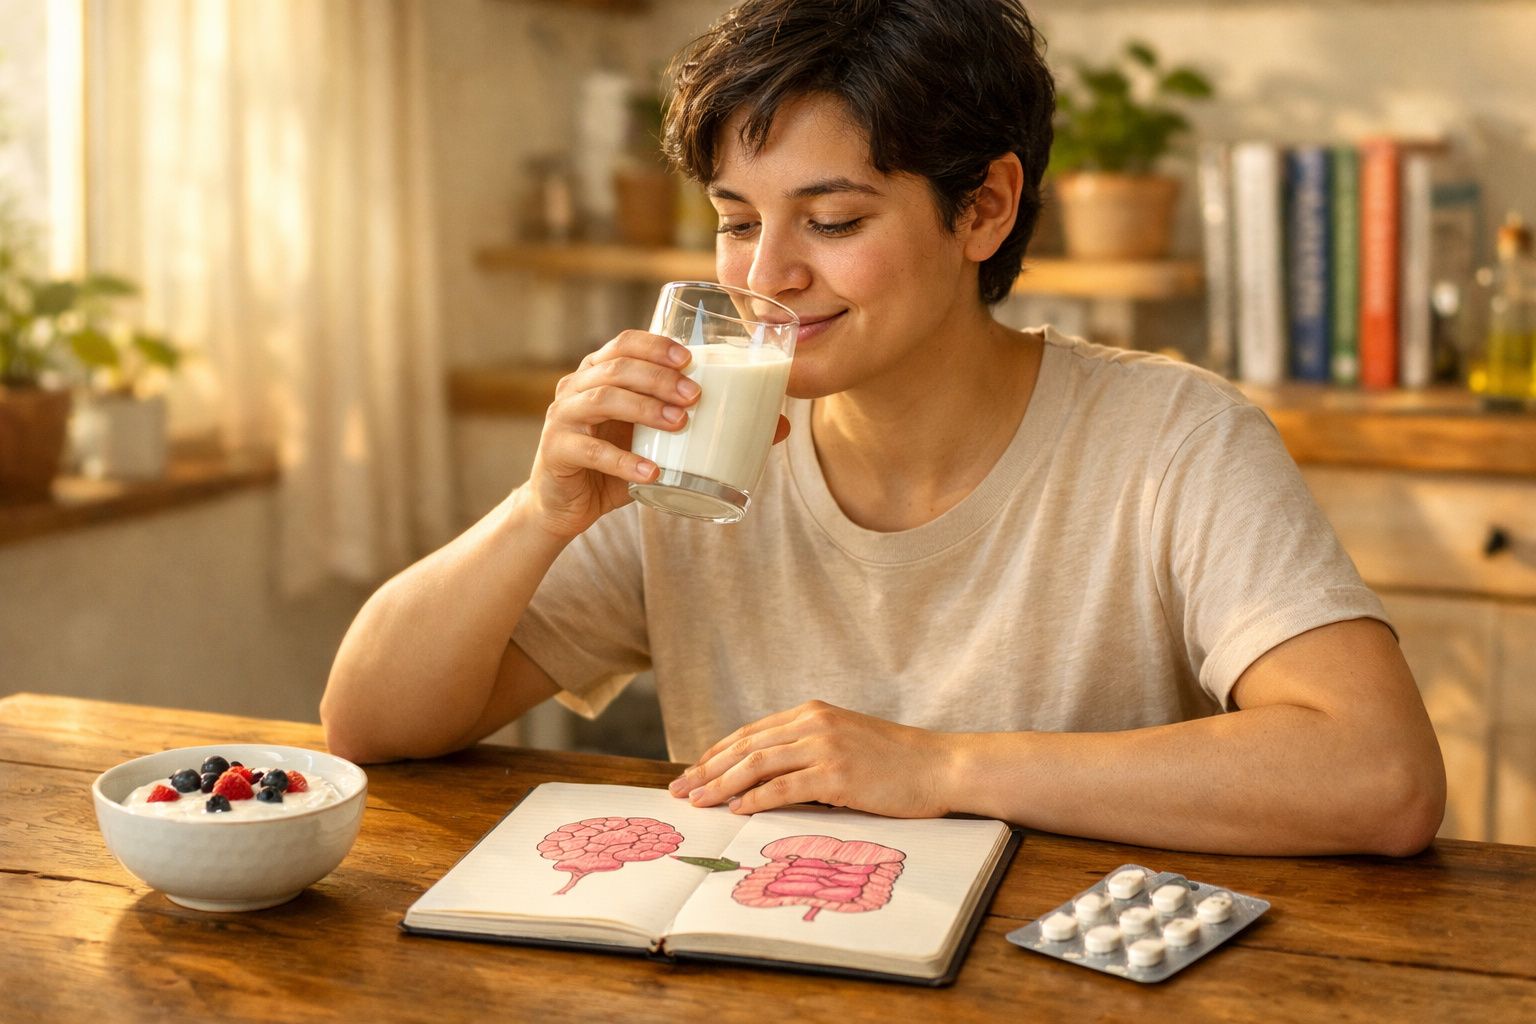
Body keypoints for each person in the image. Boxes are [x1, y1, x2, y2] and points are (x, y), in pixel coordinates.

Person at [321, 0, 1445, 856]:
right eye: (736, 222)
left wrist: (939, 765)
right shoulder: (707, 450)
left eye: (835, 219)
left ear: (986, 207)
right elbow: (370, 722)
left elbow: (1380, 773)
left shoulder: (1172, 439)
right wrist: (539, 513)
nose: (770, 276)